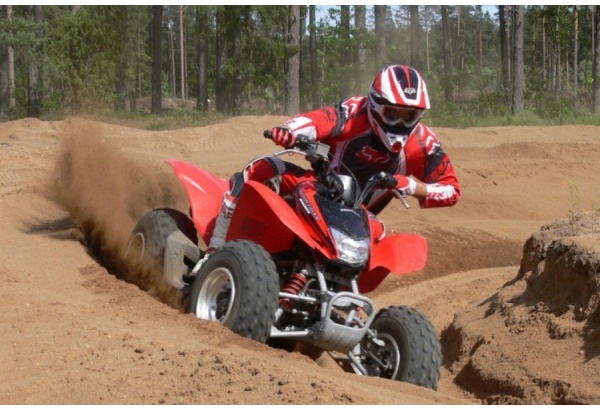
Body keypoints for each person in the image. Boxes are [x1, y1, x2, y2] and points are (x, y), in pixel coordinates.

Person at [208, 64, 461, 250]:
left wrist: (410, 186)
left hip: (358, 218)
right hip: (317, 191)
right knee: (261, 167)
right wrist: (289, 131)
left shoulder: (423, 141)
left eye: (409, 115)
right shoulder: (352, 113)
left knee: (385, 242)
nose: (399, 121)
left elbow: (452, 191)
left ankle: (353, 306)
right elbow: (317, 121)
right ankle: (216, 248)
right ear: (375, 104)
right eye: (392, 112)